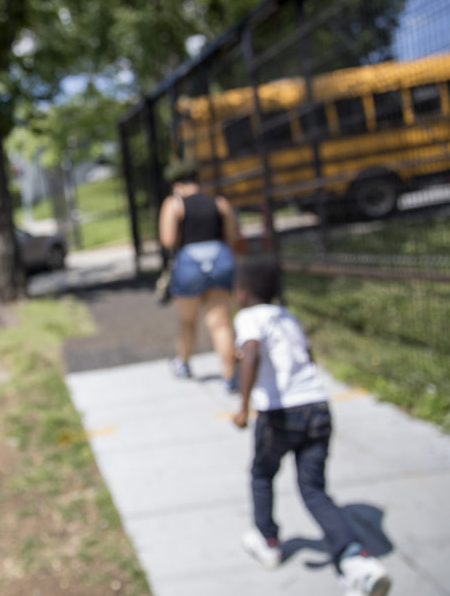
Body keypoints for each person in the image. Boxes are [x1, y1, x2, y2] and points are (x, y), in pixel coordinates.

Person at [232, 257, 391, 596]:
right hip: (317, 408)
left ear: (242, 292)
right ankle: (356, 559)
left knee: (262, 473)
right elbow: (306, 356)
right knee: (314, 489)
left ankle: (267, 538)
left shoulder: (248, 317)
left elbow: (251, 351)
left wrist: (243, 407)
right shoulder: (288, 317)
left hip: (279, 414)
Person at [157, 157, 238, 386]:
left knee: (187, 321)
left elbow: (168, 239)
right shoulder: (219, 203)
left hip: (190, 265)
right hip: (220, 261)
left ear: (177, 185)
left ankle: (183, 362)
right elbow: (231, 236)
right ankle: (229, 374)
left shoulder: (174, 204)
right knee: (220, 323)